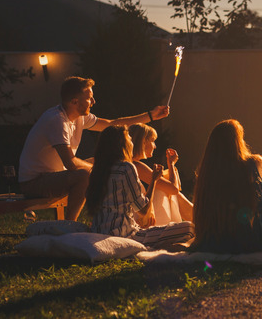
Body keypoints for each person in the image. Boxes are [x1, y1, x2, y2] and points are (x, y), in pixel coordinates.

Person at [18, 76, 169, 221]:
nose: (93, 101)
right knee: (86, 174)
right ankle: (70, 223)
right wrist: (99, 168)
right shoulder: (57, 121)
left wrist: (150, 116)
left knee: (102, 162)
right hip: (34, 182)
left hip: (56, 176)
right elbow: (70, 163)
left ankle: (111, 216)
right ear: (75, 101)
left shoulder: (80, 117)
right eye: (89, 98)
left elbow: (112, 124)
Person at [85, 125, 194, 250]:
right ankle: (201, 224)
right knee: (190, 228)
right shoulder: (126, 167)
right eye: (129, 140)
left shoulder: (98, 169)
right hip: (127, 235)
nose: (132, 143)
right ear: (123, 144)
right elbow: (143, 210)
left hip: (101, 231)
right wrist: (154, 180)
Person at [188, 119, 262, 254]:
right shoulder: (256, 162)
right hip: (252, 242)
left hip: (213, 243)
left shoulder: (207, 172)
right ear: (239, 141)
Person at [128, 123, 193, 224]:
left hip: (139, 215)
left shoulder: (130, 164)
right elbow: (174, 189)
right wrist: (171, 164)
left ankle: (199, 217)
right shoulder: (135, 166)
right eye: (153, 141)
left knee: (163, 187)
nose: (155, 146)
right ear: (143, 142)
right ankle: (200, 218)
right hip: (140, 220)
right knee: (164, 189)